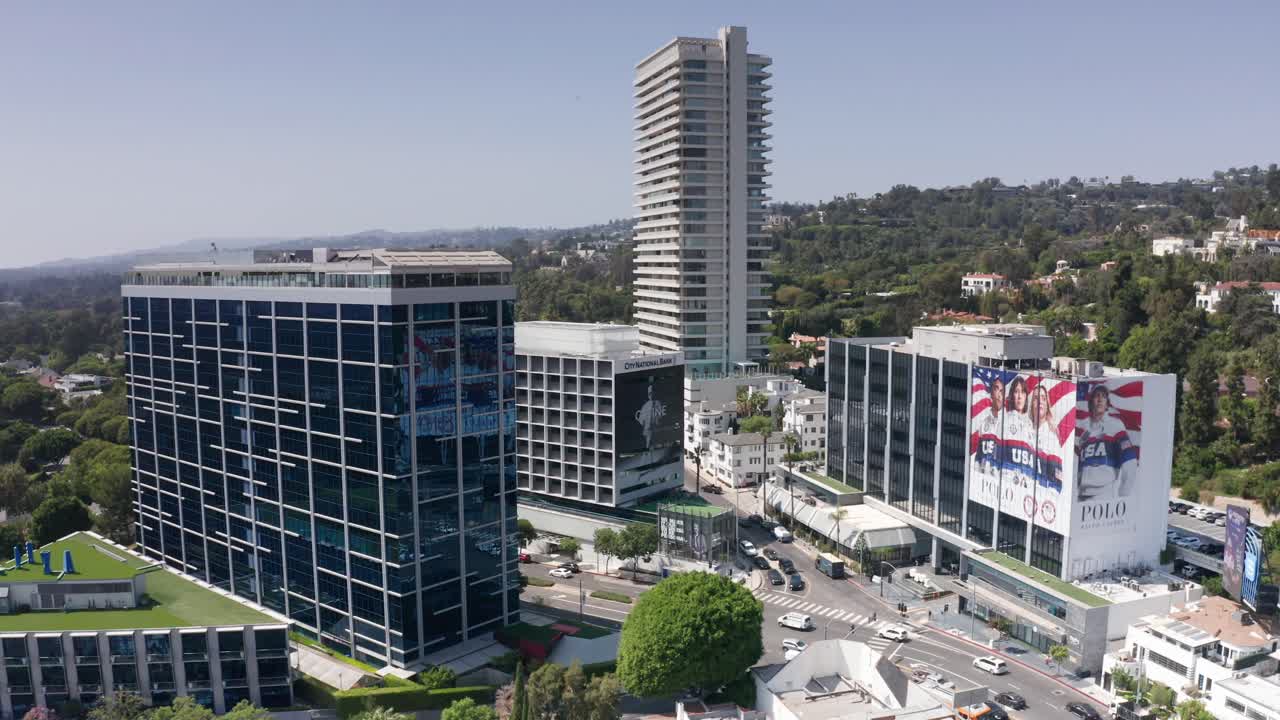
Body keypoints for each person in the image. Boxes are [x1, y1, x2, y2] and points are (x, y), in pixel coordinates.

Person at [1076, 384, 1138, 501]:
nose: (1100, 399)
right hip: (1081, 495)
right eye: (1096, 396)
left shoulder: (1115, 426)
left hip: (1102, 495)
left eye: (1103, 396)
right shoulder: (1084, 432)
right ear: (1090, 402)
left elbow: (1130, 461)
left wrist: (1123, 495)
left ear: (1107, 404)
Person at [634, 377, 666, 450]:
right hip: (648, 430)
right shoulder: (645, 405)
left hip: (656, 429)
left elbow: (661, 416)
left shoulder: (658, 403)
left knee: (657, 446)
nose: (651, 395)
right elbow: (642, 420)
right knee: (648, 445)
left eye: (652, 393)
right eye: (649, 393)